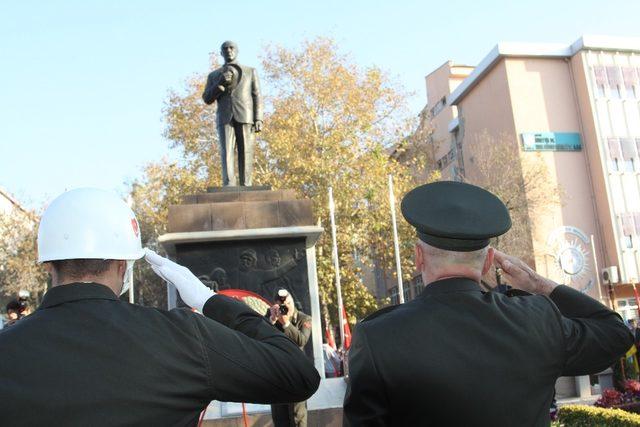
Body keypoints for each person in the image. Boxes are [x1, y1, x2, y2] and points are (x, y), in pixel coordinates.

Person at [0, 188, 319, 426]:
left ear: (47, 264)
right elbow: (297, 374)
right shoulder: (181, 337)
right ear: (123, 264)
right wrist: (209, 301)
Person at [343, 180, 633, 426]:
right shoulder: (536, 319)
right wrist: (537, 284)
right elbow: (615, 334)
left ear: (419, 257)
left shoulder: (378, 336)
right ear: (489, 263)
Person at [202, 40, 263, 186]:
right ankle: (229, 183)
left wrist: (258, 118)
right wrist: (220, 85)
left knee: (246, 151)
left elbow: (257, 95)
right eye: (225, 49)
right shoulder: (214, 75)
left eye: (231, 48)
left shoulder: (250, 71)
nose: (229, 50)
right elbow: (207, 98)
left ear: (237, 50)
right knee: (226, 151)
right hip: (224, 116)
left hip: (245, 115)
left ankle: (246, 183)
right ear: (221, 53)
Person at [267, 289, 312, 427]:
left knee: (297, 417)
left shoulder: (304, 319)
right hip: (277, 374)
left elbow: (301, 340)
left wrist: (286, 323)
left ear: (292, 301)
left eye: (288, 303)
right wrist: (272, 320)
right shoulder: (271, 319)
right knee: (279, 417)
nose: (286, 307)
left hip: (295, 374)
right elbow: (260, 336)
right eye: (282, 305)